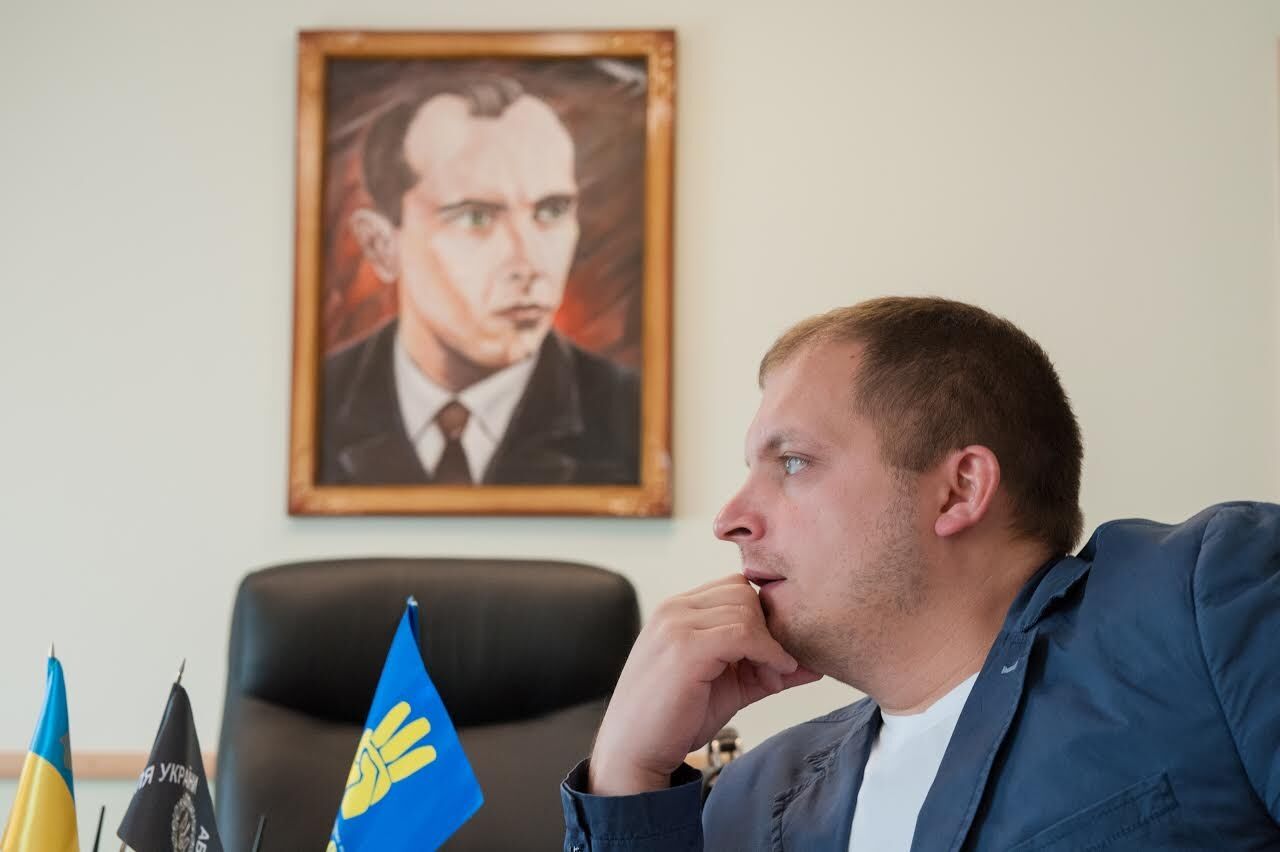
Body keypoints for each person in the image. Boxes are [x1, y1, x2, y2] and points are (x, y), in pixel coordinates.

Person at [561, 296, 1280, 850]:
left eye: (794, 462)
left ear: (959, 490)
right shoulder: (754, 794)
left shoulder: (1204, 599)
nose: (729, 520)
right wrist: (627, 773)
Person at [320, 75, 639, 486]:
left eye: (552, 210)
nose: (530, 262)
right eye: (476, 217)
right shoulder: (321, 402)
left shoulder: (629, 415)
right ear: (381, 245)